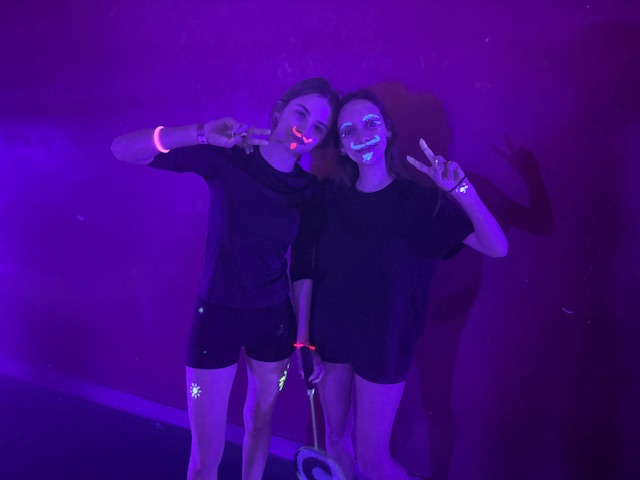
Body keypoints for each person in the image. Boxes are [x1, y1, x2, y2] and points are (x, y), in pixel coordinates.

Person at [111, 77, 340, 480]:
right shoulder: (230, 158)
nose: (305, 128)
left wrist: (303, 340)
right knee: (205, 459)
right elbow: (123, 149)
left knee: (260, 425)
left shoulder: (309, 192)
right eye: (300, 113)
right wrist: (201, 132)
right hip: (216, 317)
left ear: (320, 141)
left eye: (318, 127)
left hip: (274, 324)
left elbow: (303, 269)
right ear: (280, 111)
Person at [292, 89, 508, 480]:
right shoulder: (328, 198)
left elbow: (497, 247)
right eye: (349, 130)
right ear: (341, 145)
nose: (362, 136)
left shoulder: (416, 201)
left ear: (388, 131)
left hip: (385, 343)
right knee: (335, 440)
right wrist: (304, 340)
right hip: (331, 338)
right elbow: (304, 266)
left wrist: (461, 189)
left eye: (370, 124)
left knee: (372, 460)